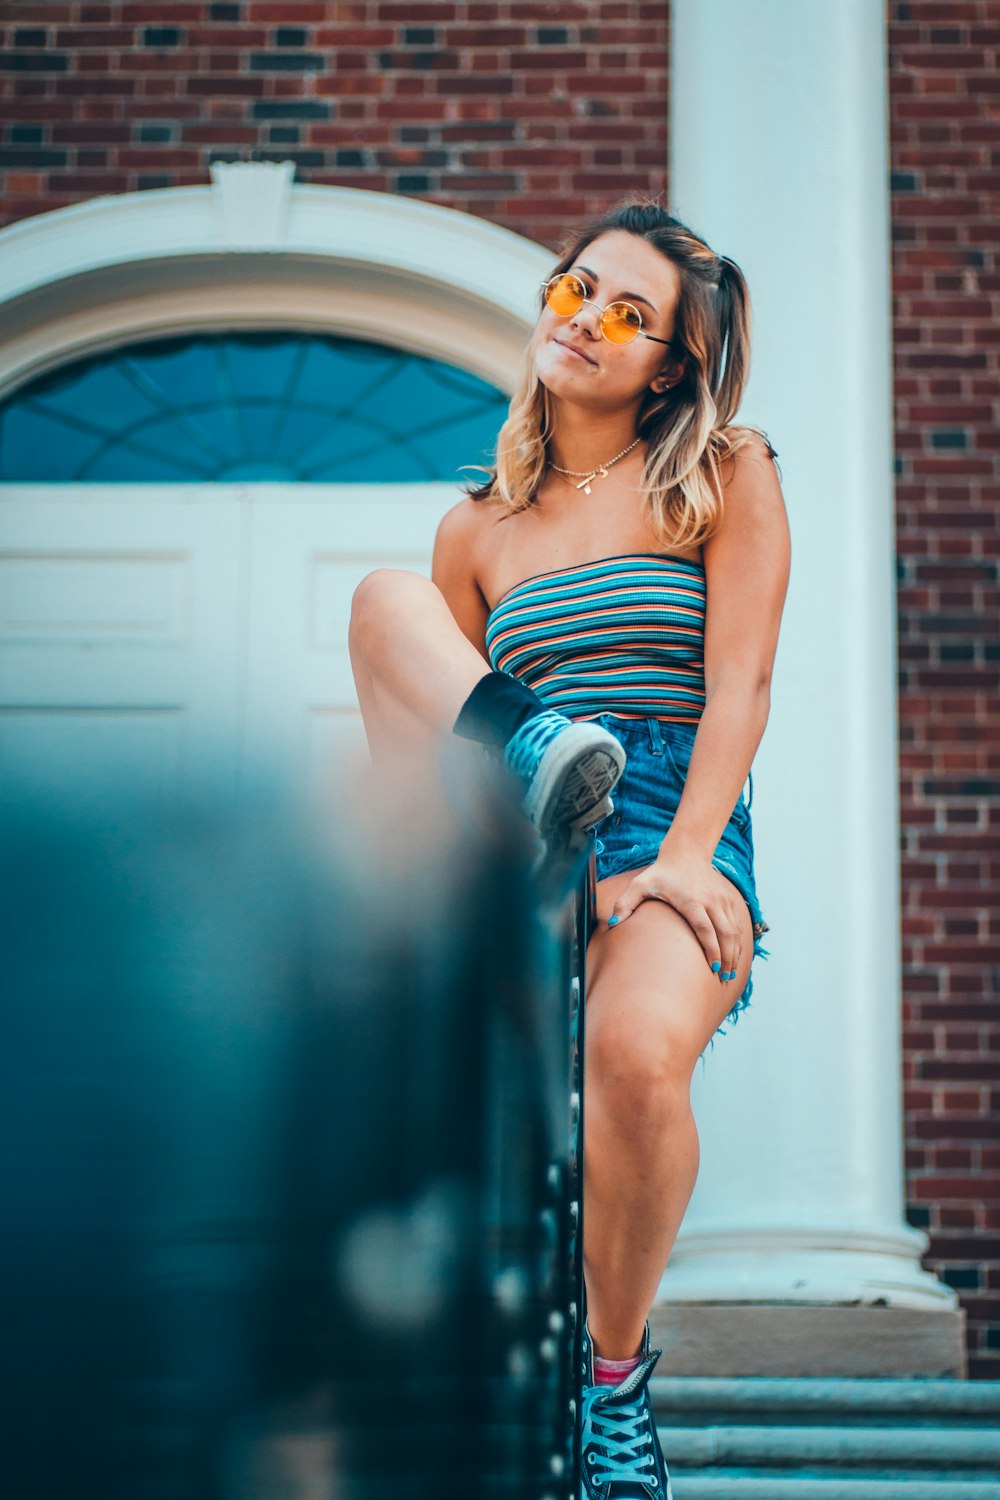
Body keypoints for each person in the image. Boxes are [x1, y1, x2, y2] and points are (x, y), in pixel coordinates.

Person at [349, 199, 791, 1498]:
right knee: (387, 602)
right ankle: (526, 765)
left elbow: (743, 685)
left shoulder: (725, 470)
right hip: (522, 816)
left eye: (629, 313)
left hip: (666, 814)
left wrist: (693, 855)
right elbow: (410, 714)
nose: (587, 321)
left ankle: (611, 1386)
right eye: (576, 288)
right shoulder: (476, 528)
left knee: (634, 1056)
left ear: (671, 364)